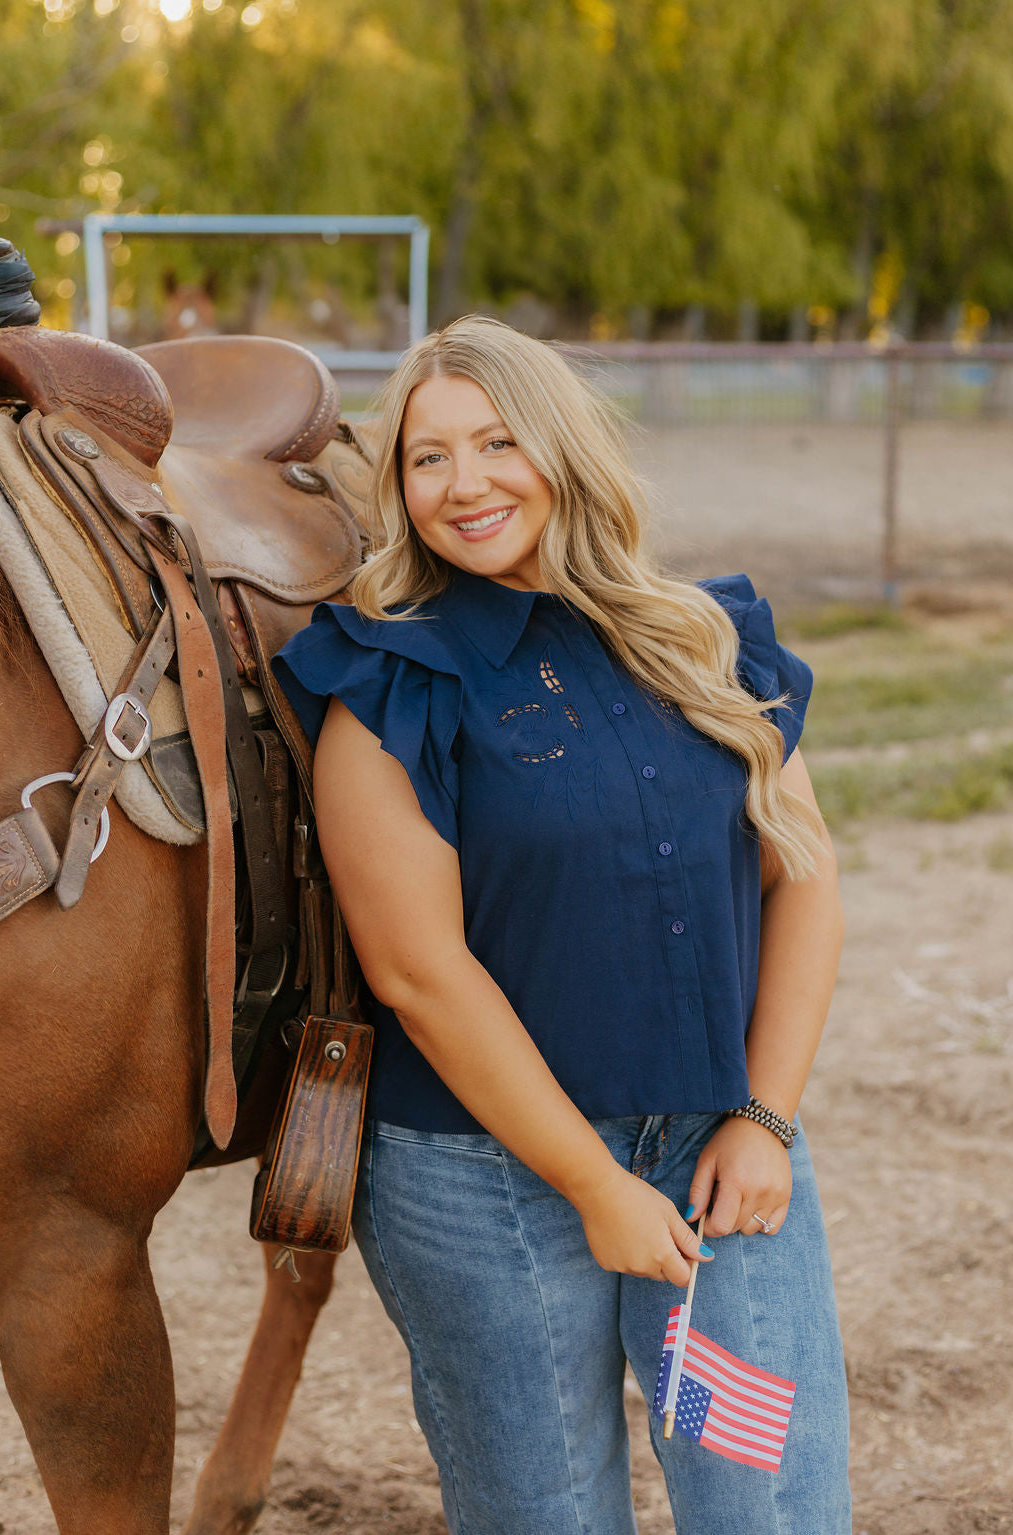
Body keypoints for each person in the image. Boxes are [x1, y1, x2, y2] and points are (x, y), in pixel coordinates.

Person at [273, 316, 851, 1535]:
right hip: (483, 1185)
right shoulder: (389, 679)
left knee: (764, 1501)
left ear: (561, 446)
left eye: (495, 441)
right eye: (427, 458)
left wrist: (762, 1118)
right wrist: (590, 1181)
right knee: (547, 1515)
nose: (464, 482)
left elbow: (803, 876)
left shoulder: (701, 636)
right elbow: (417, 971)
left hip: (716, 1159)